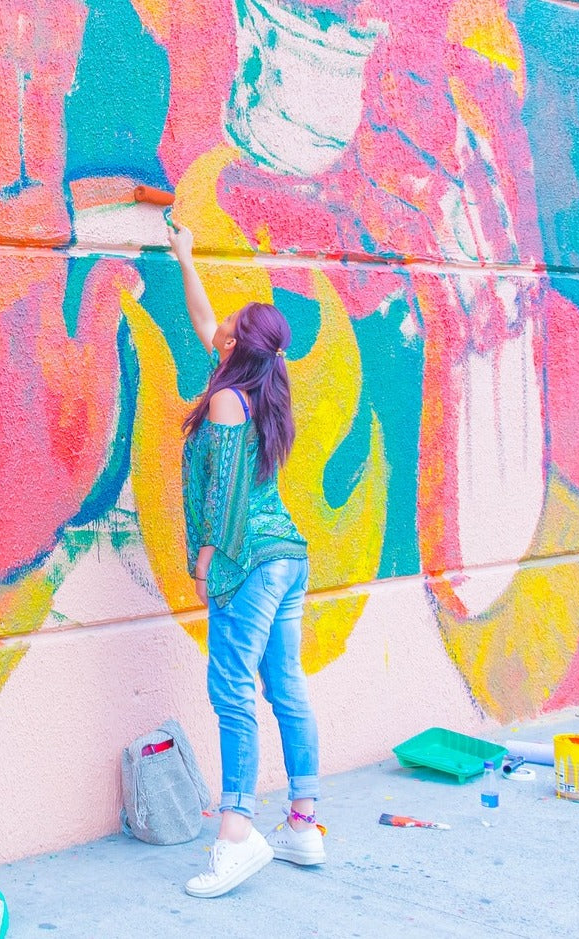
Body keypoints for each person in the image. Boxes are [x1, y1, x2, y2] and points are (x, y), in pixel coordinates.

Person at [168, 220, 323, 900]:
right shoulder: (256, 383)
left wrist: (206, 561)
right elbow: (202, 316)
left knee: (229, 689)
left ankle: (236, 832)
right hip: (286, 554)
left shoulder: (226, 400)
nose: (216, 330)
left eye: (226, 329)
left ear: (237, 347)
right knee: (282, 684)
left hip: (247, 559)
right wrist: (183, 255)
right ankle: (303, 823)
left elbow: (225, 493)